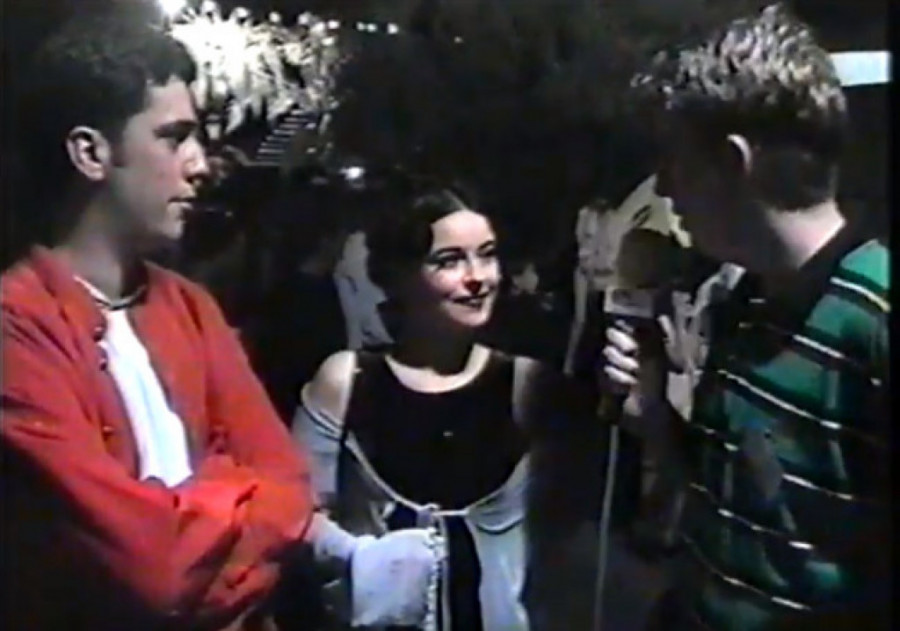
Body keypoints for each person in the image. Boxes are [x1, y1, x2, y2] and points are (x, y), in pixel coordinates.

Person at [1, 14, 315, 630]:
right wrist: (238, 498)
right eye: (174, 138)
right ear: (91, 153)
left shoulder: (189, 306)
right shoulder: (18, 327)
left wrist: (191, 518)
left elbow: (291, 485)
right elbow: (147, 569)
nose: (201, 165)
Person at [607, 5, 890, 630]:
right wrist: (653, 415)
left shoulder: (875, 317)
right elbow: (725, 500)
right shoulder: (745, 298)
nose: (664, 189)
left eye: (674, 161)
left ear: (735, 162)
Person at [293, 184, 609, 631]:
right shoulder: (347, 382)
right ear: (398, 276)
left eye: (487, 255)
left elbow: (565, 534)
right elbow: (299, 512)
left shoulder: (529, 386)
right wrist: (365, 560)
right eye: (449, 261)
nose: (477, 277)